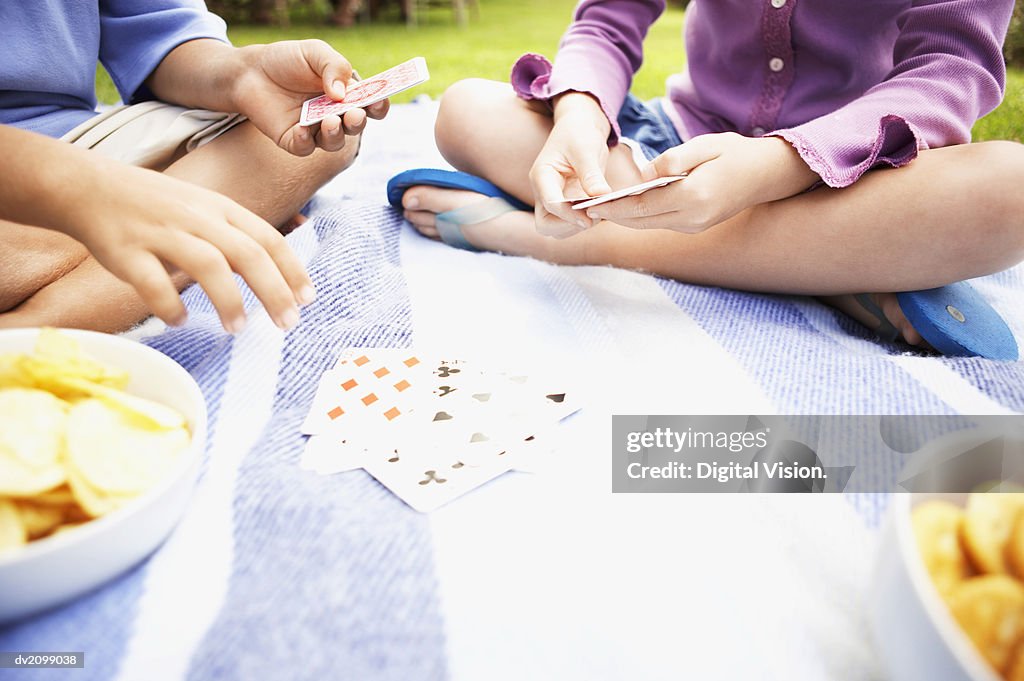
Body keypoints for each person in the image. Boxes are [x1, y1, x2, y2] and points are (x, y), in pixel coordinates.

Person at [391, 0, 1024, 358]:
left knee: (1011, 188)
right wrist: (579, 113)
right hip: (675, 143)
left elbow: (950, 68)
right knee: (466, 111)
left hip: (851, 170)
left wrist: (784, 162)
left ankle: (563, 238)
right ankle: (823, 269)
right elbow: (607, 22)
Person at [0, 1, 388, 334]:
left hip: (80, 137)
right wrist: (80, 189)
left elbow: (161, 31)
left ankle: (31, 328)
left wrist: (242, 73)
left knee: (306, 126)